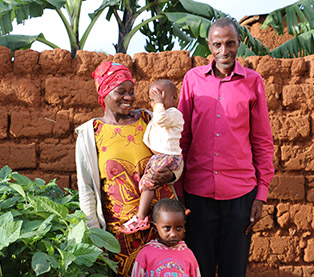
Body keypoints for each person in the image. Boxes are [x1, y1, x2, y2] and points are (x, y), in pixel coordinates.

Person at [176, 17, 274, 277]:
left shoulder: (253, 82)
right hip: (198, 193)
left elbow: (262, 141)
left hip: (240, 194)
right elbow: (182, 137)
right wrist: (178, 190)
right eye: (217, 44)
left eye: (230, 43)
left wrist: (261, 194)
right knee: (200, 270)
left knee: (234, 270)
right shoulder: (192, 80)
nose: (224, 51)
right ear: (209, 45)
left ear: (239, 43)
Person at [75, 61, 182, 275]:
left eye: (131, 91)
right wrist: (96, 236)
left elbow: (175, 154)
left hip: (161, 227)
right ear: (104, 93)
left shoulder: (148, 119)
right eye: (121, 92)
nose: (129, 97)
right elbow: (87, 190)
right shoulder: (90, 133)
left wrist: (171, 174)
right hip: (120, 235)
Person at [120, 80, 183, 234]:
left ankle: (141, 217)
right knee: (147, 184)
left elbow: (160, 119)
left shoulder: (173, 114)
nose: (155, 103)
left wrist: (159, 105)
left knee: (149, 183)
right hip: (161, 157)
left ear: (174, 98)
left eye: (159, 97)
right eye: (152, 99)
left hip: (168, 156)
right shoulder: (160, 115)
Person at [131, 198, 201, 277]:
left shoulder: (188, 254)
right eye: (167, 228)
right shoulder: (145, 253)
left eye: (178, 228)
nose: (173, 234)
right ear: (155, 228)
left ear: (184, 227)